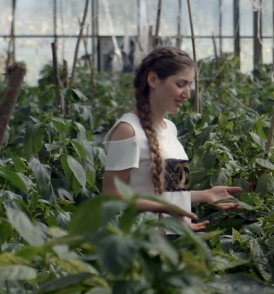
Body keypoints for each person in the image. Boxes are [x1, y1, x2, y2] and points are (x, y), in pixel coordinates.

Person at [102, 46, 242, 232]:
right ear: (152, 79)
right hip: (142, 239)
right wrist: (164, 208)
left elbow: (165, 193)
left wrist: (204, 195)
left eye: (189, 85)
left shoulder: (170, 128)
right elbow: (111, 198)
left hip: (174, 237)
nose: (187, 94)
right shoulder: (128, 130)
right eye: (180, 84)